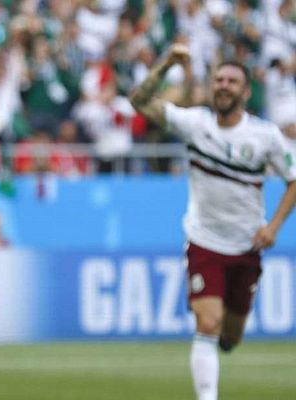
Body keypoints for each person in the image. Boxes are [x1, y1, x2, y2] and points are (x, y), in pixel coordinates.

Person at [129, 43, 296, 400]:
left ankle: (223, 343)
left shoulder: (265, 136)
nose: (223, 85)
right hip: (204, 240)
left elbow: (293, 179)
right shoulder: (195, 123)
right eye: (219, 79)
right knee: (207, 323)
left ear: (245, 92)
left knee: (230, 335)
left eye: (232, 81)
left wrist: (273, 227)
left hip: (246, 245)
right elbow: (139, 102)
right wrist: (166, 64)